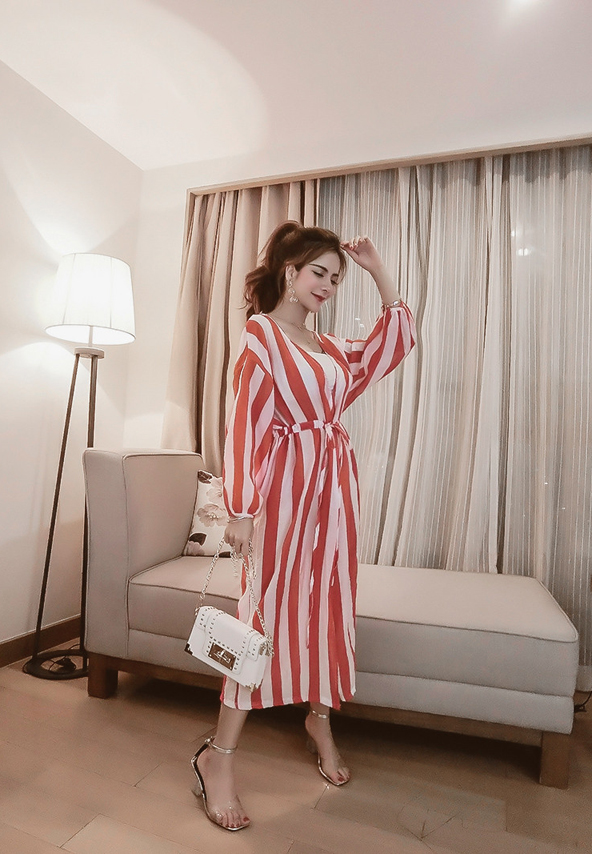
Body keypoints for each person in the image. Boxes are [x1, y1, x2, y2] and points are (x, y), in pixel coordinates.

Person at [191, 222, 416, 830]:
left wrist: (378, 271)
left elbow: (394, 344)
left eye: (336, 278)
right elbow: (245, 423)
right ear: (289, 272)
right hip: (283, 497)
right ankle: (219, 757)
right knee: (261, 617)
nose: (328, 285)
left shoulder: (329, 348)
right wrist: (242, 509)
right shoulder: (261, 335)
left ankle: (320, 720)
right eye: (319, 272)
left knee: (328, 608)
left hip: (334, 495)